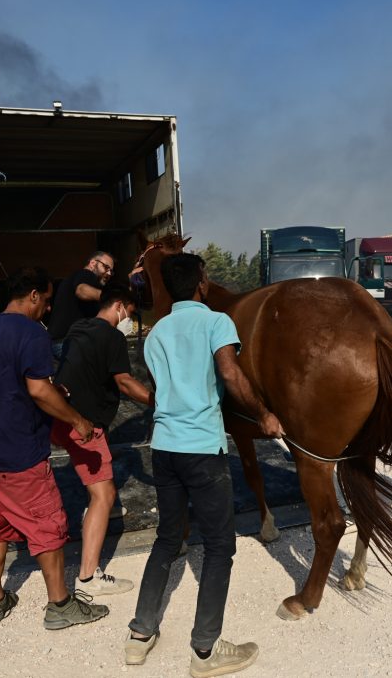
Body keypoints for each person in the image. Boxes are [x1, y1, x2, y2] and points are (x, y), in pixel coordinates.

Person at [124, 253, 284, 677]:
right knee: (219, 546)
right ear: (202, 283)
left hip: (164, 447)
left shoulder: (155, 333)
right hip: (201, 449)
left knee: (166, 539)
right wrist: (264, 414)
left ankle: (140, 635)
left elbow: (162, 388)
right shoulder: (217, 322)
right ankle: (205, 651)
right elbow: (230, 375)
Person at [0, 267, 108, 630]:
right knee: (48, 523)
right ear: (33, 296)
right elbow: (38, 391)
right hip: (15, 448)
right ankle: (60, 604)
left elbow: (2, 384)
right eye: (47, 300)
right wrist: (77, 420)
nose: (48, 308)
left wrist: (53, 393)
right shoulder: (31, 332)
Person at [50, 284, 154, 599]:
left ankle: (97, 516)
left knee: (100, 490)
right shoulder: (111, 337)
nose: (129, 322)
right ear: (120, 305)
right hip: (84, 425)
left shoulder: (78, 327)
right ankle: (88, 576)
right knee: (104, 495)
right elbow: (124, 382)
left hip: (61, 417)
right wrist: (159, 401)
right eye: (130, 315)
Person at [48, 251, 116, 358]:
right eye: (106, 267)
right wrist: (111, 298)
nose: (108, 273)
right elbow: (82, 291)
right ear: (93, 263)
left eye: (111, 271)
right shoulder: (86, 274)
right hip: (68, 343)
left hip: (61, 343)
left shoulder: (74, 277)